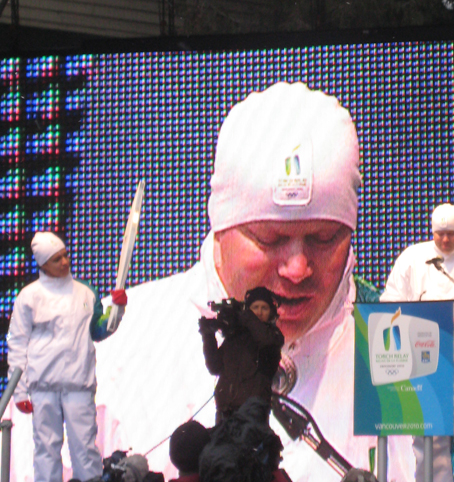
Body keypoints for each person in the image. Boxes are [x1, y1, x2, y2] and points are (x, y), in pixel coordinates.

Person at [90, 81, 414, 481]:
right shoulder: (117, 343)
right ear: (221, 228)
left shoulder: (408, 345)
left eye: (324, 238)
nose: (298, 268)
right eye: (269, 239)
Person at [379, 203, 454, 482]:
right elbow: (390, 301)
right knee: (427, 439)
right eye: (439, 234)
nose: (445, 240)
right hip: (422, 364)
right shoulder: (412, 258)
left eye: (451, 234)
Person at [7, 231, 128, 482]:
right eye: (56, 259)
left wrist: (117, 310)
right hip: (43, 387)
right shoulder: (28, 297)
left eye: (65, 256)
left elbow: (99, 329)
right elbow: (17, 344)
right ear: (42, 265)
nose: (64, 262)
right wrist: (19, 392)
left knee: (85, 451)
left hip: (78, 386)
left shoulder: (86, 292)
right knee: (46, 453)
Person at [200, 287, 284, 423]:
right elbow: (215, 367)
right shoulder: (236, 338)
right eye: (255, 307)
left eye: (264, 308)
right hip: (224, 417)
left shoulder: (273, 336)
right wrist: (208, 336)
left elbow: (266, 340)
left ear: (271, 312)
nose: (259, 312)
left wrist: (246, 316)